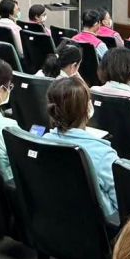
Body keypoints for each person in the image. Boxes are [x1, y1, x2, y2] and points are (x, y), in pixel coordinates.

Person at [41, 76, 121, 219]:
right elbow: (121, 201)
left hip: (58, 217)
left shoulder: (44, 141)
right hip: (102, 223)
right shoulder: (103, 154)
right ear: (87, 108)